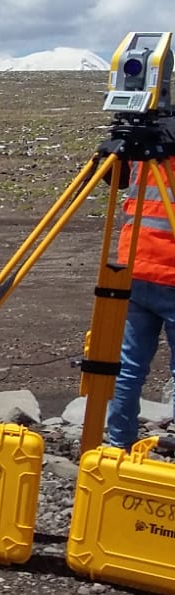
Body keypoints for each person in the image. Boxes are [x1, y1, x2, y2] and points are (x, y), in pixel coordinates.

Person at [105, 160, 175, 449]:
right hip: (170, 268)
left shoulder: (145, 133)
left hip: (135, 261)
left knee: (128, 366)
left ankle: (118, 442)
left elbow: (115, 179)